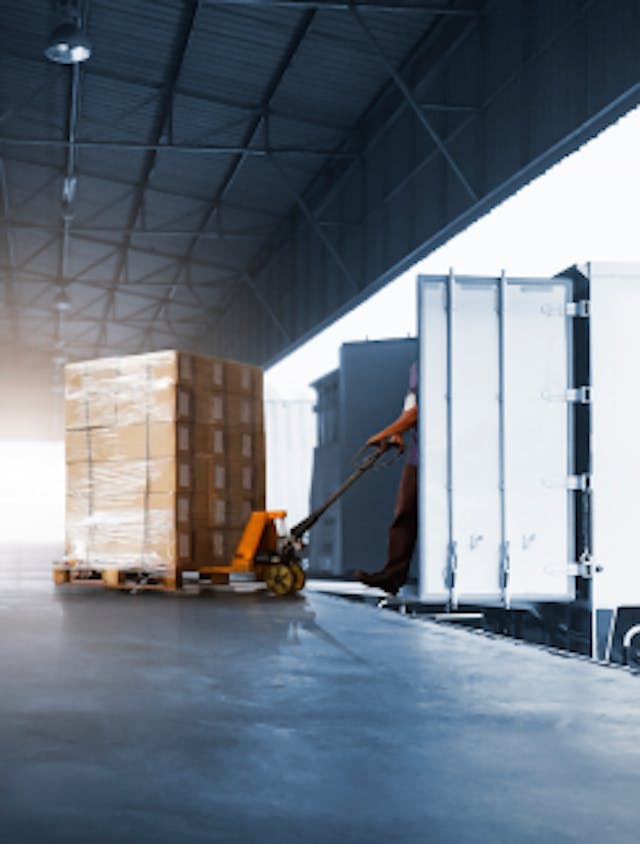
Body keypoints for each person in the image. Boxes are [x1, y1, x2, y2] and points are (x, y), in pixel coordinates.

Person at [354, 361, 418, 595]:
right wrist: (398, 432)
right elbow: (411, 403)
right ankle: (392, 576)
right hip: (417, 457)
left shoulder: (440, 362)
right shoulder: (416, 367)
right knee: (404, 514)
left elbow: (423, 409)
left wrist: (388, 431)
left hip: (442, 458)